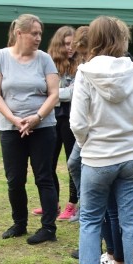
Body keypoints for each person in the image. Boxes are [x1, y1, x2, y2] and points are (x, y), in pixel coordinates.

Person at [71, 16, 133, 264]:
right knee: (130, 220)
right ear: (122, 40)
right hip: (130, 158)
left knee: (90, 219)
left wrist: (89, 144)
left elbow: (77, 123)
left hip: (97, 158)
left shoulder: (84, 73)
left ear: (94, 40)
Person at [0, 13, 60, 245]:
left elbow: (54, 94)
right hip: (11, 129)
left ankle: (48, 228)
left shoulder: (45, 59)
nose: (39, 38)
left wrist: (37, 117)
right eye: (34, 33)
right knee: (15, 179)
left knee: (44, 177)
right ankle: (19, 223)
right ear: (19, 33)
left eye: (40, 33)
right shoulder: (0, 57)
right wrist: (14, 119)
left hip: (43, 127)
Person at [47, 26, 79, 222]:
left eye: (73, 44)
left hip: (71, 118)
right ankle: (51, 203)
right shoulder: (50, 64)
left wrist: (53, 94)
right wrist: (58, 94)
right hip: (51, 117)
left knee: (71, 163)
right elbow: (45, 89)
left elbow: (74, 92)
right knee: (48, 162)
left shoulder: (81, 63)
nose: (70, 48)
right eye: (66, 44)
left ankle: (72, 205)